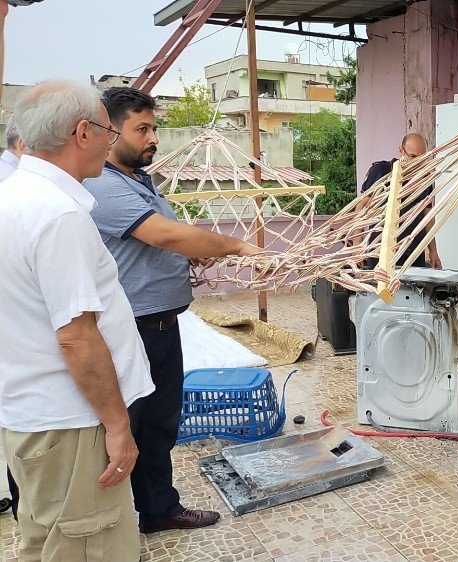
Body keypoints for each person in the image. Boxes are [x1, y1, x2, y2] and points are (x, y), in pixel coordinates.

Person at [83, 87, 259, 534]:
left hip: (161, 323)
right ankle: (114, 522)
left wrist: (191, 255)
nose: (153, 138)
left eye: (154, 128)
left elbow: (162, 242)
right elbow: (165, 235)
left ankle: (158, 509)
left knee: (160, 425)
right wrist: (236, 245)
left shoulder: (141, 181)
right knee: (127, 429)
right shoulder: (103, 185)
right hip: (132, 328)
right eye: (141, 129)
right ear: (109, 132)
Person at [0, 80, 153, 561]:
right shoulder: (57, 215)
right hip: (72, 423)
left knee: (48, 540)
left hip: (35, 415)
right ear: (83, 132)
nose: (111, 144)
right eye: (110, 132)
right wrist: (117, 426)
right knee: (88, 545)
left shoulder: (14, 196)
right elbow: (77, 338)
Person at [359, 133, 442, 269]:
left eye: (422, 158)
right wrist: (357, 245)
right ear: (401, 150)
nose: (417, 163)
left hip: (413, 252)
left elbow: (427, 217)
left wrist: (433, 251)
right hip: (380, 252)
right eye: (413, 156)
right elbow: (361, 206)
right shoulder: (381, 171)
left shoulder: (424, 178)